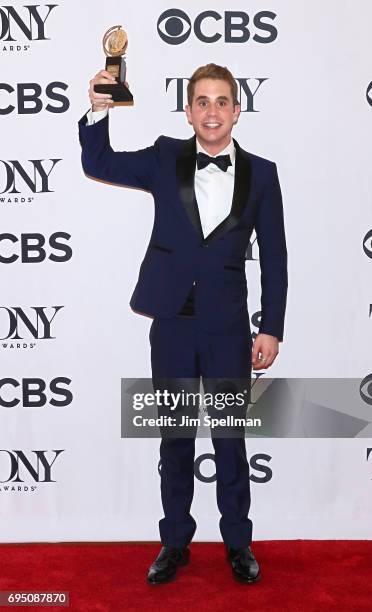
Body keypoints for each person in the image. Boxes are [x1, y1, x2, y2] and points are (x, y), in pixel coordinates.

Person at [78, 63, 288, 585]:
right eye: (202, 101)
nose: (212, 111)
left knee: (230, 440)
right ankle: (174, 542)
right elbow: (98, 159)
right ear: (189, 110)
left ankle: (238, 543)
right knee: (174, 439)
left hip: (229, 330)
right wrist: (99, 108)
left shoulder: (263, 173)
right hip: (171, 325)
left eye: (222, 101)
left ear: (237, 111)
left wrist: (272, 327)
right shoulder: (164, 157)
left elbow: (277, 258)